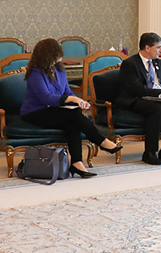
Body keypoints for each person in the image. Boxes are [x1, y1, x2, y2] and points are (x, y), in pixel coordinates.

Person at [19, 38, 122, 178]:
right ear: (46, 56)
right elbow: (45, 97)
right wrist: (72, 99)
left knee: (72, 125)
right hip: (34, 112)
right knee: (73, 116)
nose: (58, 59)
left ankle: (77, 163)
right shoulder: (35, 73)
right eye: (55, 56)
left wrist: (79, 101)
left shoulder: (59, 69)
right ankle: (101, 141)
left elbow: (67, 91)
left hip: (55, 110)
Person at [115, 32, 161, 165]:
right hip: (135, 99)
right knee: (156, 108)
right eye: (158, 47)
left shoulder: (159, 63)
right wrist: (160, 93)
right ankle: (150, 152)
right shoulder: (130, 64)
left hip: (157, 97)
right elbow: (135, 89)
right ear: (147, 48)